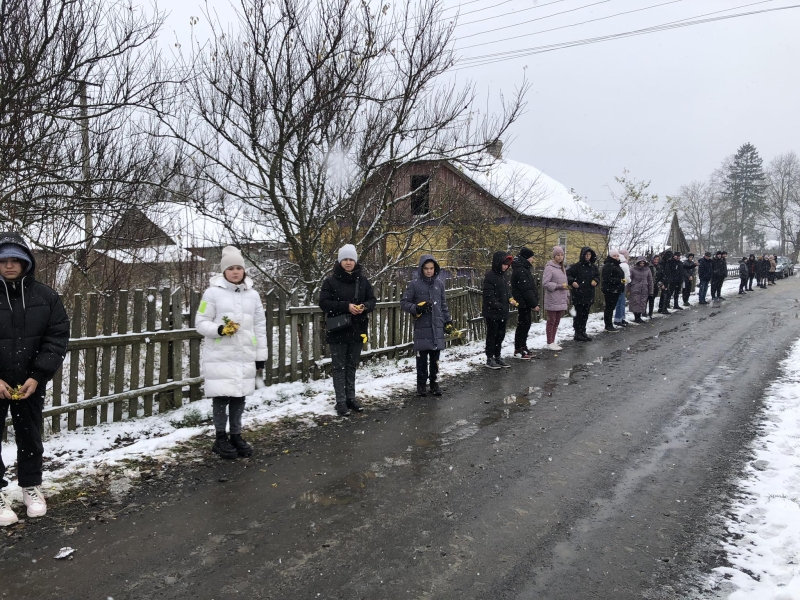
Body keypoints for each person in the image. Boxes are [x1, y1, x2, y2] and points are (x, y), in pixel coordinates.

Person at [0, 233, 70, 527]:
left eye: (16, 259)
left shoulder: (46, 297)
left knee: (30, 436)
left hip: (30, 383)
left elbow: (56, 338)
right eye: (4, 259)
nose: (10, 265)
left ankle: (30, 486)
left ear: (27, 261)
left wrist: (37, 375)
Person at [195, 246, 268, 458]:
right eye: (231, 268)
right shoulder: (212, 293)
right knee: (221, 396)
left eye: (239, 268)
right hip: (220, 355)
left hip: (245, 353)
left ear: (244, 270)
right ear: (223, 271)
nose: (235, 272)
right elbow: (200, 323)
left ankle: (236, 435)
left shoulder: (252, 295)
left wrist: (260, 356)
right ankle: (220, 438)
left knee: (239, 396)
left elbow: (259, 326)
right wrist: (219, 330)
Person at [319, 244, 377, 416]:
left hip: (357, 329)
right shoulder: (330, 281)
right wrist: (346, 306)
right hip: (338, 330)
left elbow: (373, 300)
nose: (348, 262)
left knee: (351, 365)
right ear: (339, 261)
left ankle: (351, 397)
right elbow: (324, 303)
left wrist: (364, 306)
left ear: (355, 261)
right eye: (345, 259)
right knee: (339, 367)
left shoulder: (363, 281)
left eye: (351, 259)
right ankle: (341, 401)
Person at [401, 254, 452, 397]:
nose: (429, 271)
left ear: (435, 269)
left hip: (437, 326)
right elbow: (404, 303)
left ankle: (434, 383)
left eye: (431, 268)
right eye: (426, 268)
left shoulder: (439, 284)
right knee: (422, 359)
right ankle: (421, 384)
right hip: (422, 327)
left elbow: (443, 305)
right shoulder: (414, 285)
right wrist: (417, 308)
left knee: (435, 359)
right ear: (421, 269)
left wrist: (447, 321)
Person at [483, 252, 514, 369]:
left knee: (500, 335)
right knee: (492, 335)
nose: (506, 267)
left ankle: (498, 355)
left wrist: (510, 298)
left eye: (507, 265)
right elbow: (488, 295)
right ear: (498, 263)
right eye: (504, 264)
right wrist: (497, 305)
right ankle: (489, 357)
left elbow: (506, 291)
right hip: (492, 312)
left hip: (503, 311)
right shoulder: (490, 276)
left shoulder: (503, 276)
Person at [510, 247, 539, 359]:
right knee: (523, 326)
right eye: (531, 257)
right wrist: (533, 303)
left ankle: (523, 346)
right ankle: (518, 348)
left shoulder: (524, 269)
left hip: (525, 302)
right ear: (526, 258)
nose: (532, 259)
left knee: (525, 325)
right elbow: (526, 289)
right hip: (523, 303)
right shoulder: (521, 270)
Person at [566, 247, 600, 342]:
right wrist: (572, 282)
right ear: (582, 255)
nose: (587, 256)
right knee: (578, 314)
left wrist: (595, 281)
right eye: (586, 255)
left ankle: (583, 331)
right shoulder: (576, 266)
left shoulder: (593, 267)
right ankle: (577, 333)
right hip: (579, 294)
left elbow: (597, 276)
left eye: (589, 255)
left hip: (589, 294)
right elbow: (567, 275)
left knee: (585, 314)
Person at [542, 246, 569, 350]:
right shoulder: (549, 267)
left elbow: (565, 283)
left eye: (562, 255)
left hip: (561, 299)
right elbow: (545, 283)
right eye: (558, 255)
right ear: (554, 256)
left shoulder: (562, 268)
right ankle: (550, 342)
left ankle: (553, 340)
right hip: (552, 299)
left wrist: (567, 295)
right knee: (551, 321)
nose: (560, 257)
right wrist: (559, 286)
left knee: (557, 322)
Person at [601, 249, 625, 332]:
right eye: (614, 256)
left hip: (616, 289)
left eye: (617, 255)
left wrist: (621, 282)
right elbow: (607, 278)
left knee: (611, 307)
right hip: (610, 289)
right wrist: (619, 280)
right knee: (609, 308)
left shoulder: (617, 265)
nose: (616, 257)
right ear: (611, 256)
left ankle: (609, 324)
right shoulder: (608, 265)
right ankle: (608, 325)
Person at [629, 257, 653, 323]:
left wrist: (651, 290)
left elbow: (650, 280)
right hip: (635, 288)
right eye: (640, 263)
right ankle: (636, 317)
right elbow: (629, 279)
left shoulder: (647, 269)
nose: (642, 264)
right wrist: (627, 289)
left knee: (642, 303)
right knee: (635, 302)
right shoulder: (633, 269)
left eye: (643, 263)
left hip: (644, 288)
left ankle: (639, 317)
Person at [613, 249, 631, 327]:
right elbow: (626, 278)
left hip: (619, 285)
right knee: (620, 303)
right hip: (621, 286)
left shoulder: (619, 264)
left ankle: (621, 318)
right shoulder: (624, 265)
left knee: (621, 303)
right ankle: (619, 319)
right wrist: (624, 282)